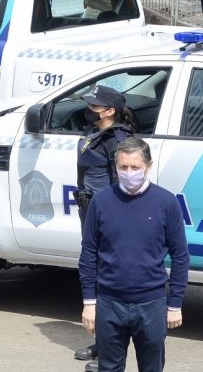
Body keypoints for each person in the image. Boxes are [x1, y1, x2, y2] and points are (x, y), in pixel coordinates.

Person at [79, 137, 188, 372]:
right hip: (109, 303)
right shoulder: (101, 201)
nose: (129, 173)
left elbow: (180, 255)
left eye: (135, 167)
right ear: (116, 167)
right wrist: (89, 302)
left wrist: (175, 303)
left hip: (151, 305)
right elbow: (88, 253)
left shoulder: (166, 202)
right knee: (108, 368)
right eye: (123, 167)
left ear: (148, 166)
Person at [72, 85, 136, 372]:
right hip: (90, 211)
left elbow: (123, 184)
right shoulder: (94, 133)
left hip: (109, 218)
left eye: (95, 106)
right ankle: (102, 344)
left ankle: (108, 355)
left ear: (110, 111)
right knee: (94, 276)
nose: (89, 109)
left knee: (107, 283)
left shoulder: (118, 140)